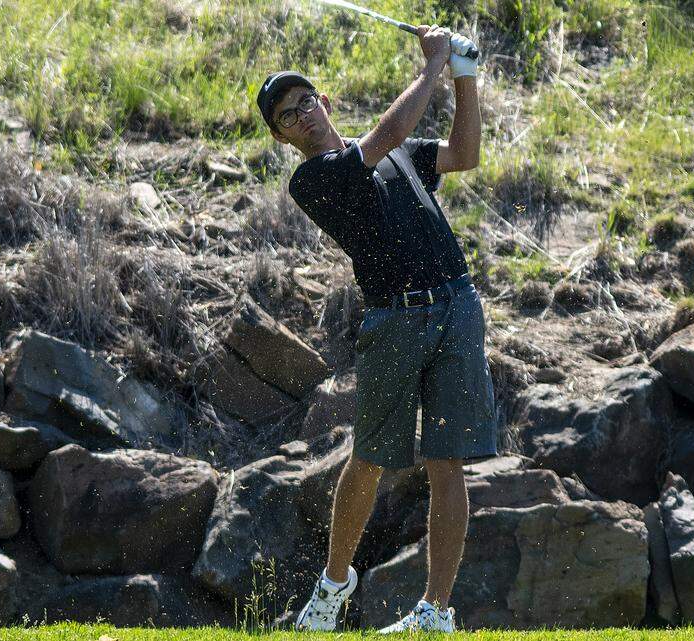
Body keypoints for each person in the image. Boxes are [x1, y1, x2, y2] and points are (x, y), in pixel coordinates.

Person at [255, 24, 495, 634]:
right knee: (370, 458)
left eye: (306, 101)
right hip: (395, 318)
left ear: (325, 102)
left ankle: (435, 612)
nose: (302, 115)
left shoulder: (396, 153)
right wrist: (436, 62)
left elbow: (463, 155)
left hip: (457, 303)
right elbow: (389, 132)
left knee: (447, 462)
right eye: (287, 116)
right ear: (283, 137)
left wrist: (465, 77)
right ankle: (334, 587)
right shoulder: (313, 179)